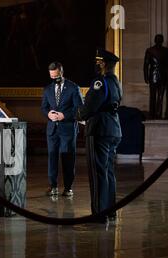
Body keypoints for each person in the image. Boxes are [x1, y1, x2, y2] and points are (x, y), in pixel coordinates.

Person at [79, 49, 122, 222]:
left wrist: (78, 115)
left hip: (99, 130)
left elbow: (90, 106)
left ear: (103, 64)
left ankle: (99, 214)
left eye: (99, 62)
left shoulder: (100, 82)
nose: (97, 65)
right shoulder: (115, 81)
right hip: (113, 129)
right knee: (108, 172)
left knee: (98, 173)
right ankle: (110, 211)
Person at [41, 62, 83, 197]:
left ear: (61, 73)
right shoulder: (47, 89)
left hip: (68, 129)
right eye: (51, 77)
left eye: (56, 76)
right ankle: (53, 186)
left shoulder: (73, 88)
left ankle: (68, 188)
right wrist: (48, 114)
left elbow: (79, 109)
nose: (54, 79)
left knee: (68, 159)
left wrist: (64, 115)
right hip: (52, 129)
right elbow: (44, 107)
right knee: (52, 158)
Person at [143, 34, 168, 119]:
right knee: (153, 96)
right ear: (155, 40)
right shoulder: (150, 50)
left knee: (160, 97)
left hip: (163, 76)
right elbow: (146, 65)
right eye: (158, 39)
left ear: (162, 41)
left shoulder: (166, 51)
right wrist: (146, 77)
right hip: (153, 76)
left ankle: (158, 114)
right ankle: (152, 114)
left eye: (160, 39)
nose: (159, 41)